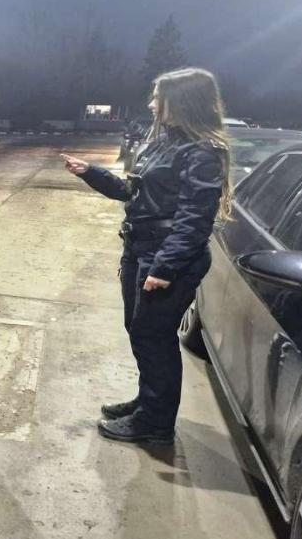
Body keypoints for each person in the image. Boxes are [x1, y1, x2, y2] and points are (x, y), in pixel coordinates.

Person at [61, 67, 232, 444]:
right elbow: (132, 192)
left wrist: (165, 267)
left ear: (182, 101)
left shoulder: (203, 151)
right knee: (140, 332)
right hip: (140, 247)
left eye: (159, 97)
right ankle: (148, 401)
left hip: (165, 257)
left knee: (154, 336)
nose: (152, 104)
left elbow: (194, 219)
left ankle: (155, 422)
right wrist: (91, 173)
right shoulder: (162, 142)